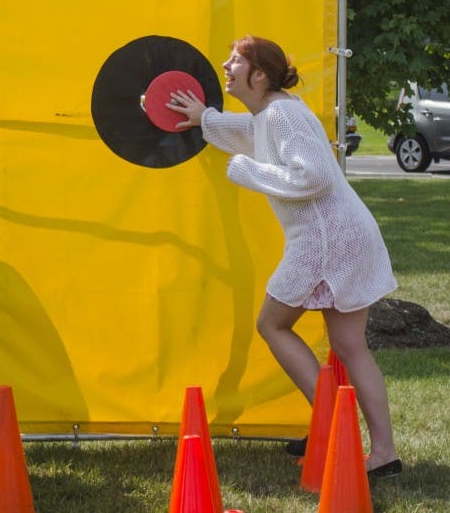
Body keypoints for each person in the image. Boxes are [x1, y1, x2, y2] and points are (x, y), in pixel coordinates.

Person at [168, 34, 402, 480]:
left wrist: (244, 170)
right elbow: (244, 131)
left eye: (235, 60)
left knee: (272, 324)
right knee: (351, 347)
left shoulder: (281, 114)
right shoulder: (269, 114)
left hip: (324, 238)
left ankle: (335, 428)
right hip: (344, 231)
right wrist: (204, 118)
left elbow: (311, 176)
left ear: (259, 74)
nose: (226, 64)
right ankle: (381, 452)